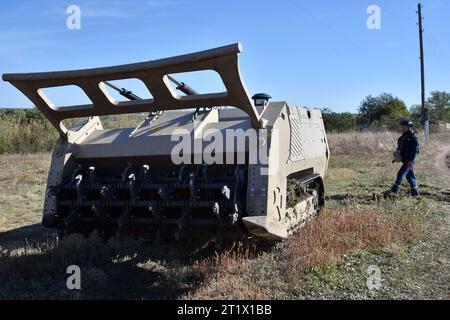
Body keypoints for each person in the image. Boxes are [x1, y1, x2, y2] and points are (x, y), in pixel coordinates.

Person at [389, 120, 420, 197]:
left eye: (404, 127)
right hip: (404, 159)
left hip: (409, 160)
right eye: (401, 127)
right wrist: (396, 158)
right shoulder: (402, 137)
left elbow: (415, 150)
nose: (402, 128)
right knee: (410, 176)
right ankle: (415, 193)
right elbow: (399, 148)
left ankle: (393, 191)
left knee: (400, 174)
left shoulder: (413, 137)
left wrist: (411, 160)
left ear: (409, 127)